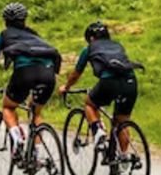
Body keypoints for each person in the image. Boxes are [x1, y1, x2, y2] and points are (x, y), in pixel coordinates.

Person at [0, 2, 61, 163]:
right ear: (24, 20)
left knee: (8, 106)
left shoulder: (2, 37)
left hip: (24, 73)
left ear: (5, 21)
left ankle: (17, 138)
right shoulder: (35, 36)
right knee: (36, 113)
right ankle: (38, 154)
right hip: (48, 74)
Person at [58, 21, 141, 156]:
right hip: (130, 82)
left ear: (91, 38)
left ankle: (98, 131)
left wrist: (66, 87)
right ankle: (124, 156)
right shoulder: (117, 45)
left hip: (109, 82)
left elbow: (76, 74)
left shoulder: (89, 49)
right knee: (122, 121)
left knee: (90, 103)